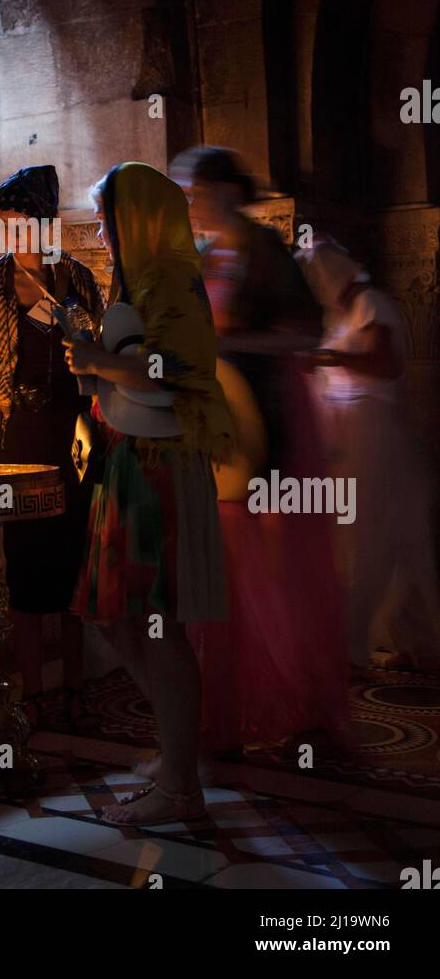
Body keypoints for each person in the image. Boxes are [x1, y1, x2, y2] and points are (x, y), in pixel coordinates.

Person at [63, 162, 232, 826]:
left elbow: (174, 372)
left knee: (156, 623)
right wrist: (92, 379)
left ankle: (181, 785)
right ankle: (176, 758)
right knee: (119, 617)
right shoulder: (134, 280)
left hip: (159, 465)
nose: (101, 233)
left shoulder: (168, 277)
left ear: (136, 217)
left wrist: (98, 362)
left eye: (107, 218)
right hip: (128, 459)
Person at [168, 146, 349, 754]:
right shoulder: (203, 254)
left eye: (195, 191)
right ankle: (227, 712)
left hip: (265, 421)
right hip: (219, 423)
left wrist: (238, 341)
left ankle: (296, 703)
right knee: (224, 575)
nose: (190, 203)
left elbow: (307, 332)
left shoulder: (264, 250)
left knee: (272, 573)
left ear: (223, 189)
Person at [0, 165, 105, 730]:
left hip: (76, 437)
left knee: (74, 563)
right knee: (27, 565)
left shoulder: (79, 281)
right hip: (19, 436)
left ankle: (76, 684)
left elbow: (102, 346)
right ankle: (34, 689)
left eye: (20, 226)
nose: (9, 238)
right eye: (3, 227)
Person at [298, 238, 440, 670]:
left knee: (375, 542)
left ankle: (356, 645)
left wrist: (327, 358)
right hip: (354, 439)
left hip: (374, 439)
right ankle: (407, 639)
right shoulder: (341, 314)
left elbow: (385, 365)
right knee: (373, 541)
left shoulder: (371, 303)